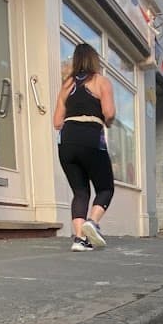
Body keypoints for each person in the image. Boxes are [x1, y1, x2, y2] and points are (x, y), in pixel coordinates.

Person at [53, 43, 116, 251]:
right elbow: (109, 113)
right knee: (105, 187)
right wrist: (107, 122)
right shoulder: (101, 82)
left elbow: (56, 122)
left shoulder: (66, 86)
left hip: (67, 141)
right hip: (91, 138)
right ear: (94, 60)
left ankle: (80, 240)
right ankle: (93, 222)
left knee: (80, 192)